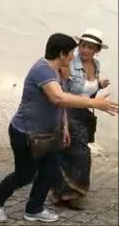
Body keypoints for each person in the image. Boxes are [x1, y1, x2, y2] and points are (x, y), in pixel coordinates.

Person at [0, 33, 118, 223]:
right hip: (26, 133)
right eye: (71, 52)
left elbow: (60, 103)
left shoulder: (60, 72)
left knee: (49, 171)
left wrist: (63, 126)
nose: (74, 56)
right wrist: (95, 104)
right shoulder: (43, 70)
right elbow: (58, 97)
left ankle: (34, 209)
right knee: (25, 175)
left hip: (48, 133)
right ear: (62, 54)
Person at [53, 29, 111, 210]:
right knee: (80, 154)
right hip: (69, 112)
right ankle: (71, 193)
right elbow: (62, 90)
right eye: (83, 46)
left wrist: (99, 85)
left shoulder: (96, 64)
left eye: (90, 47)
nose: (85, 50)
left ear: (96, 50)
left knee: (70, 153)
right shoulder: (69, 63)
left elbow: (88, 90)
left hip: (84, 114)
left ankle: (62, 193)